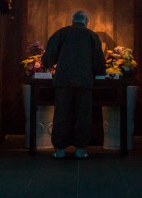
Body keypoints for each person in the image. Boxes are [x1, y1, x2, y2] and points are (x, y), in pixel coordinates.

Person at [41, 9, 106, 159]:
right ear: (86, 21)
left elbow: (48, 59)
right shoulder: (92, 35)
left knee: (62, 113)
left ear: (72, 21)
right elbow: (99, 63)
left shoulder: (61, 33)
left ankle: (60, 149)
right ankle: (80, 149)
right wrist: (99, 72)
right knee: (83, 114)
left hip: (63, 81)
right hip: (84, 81)